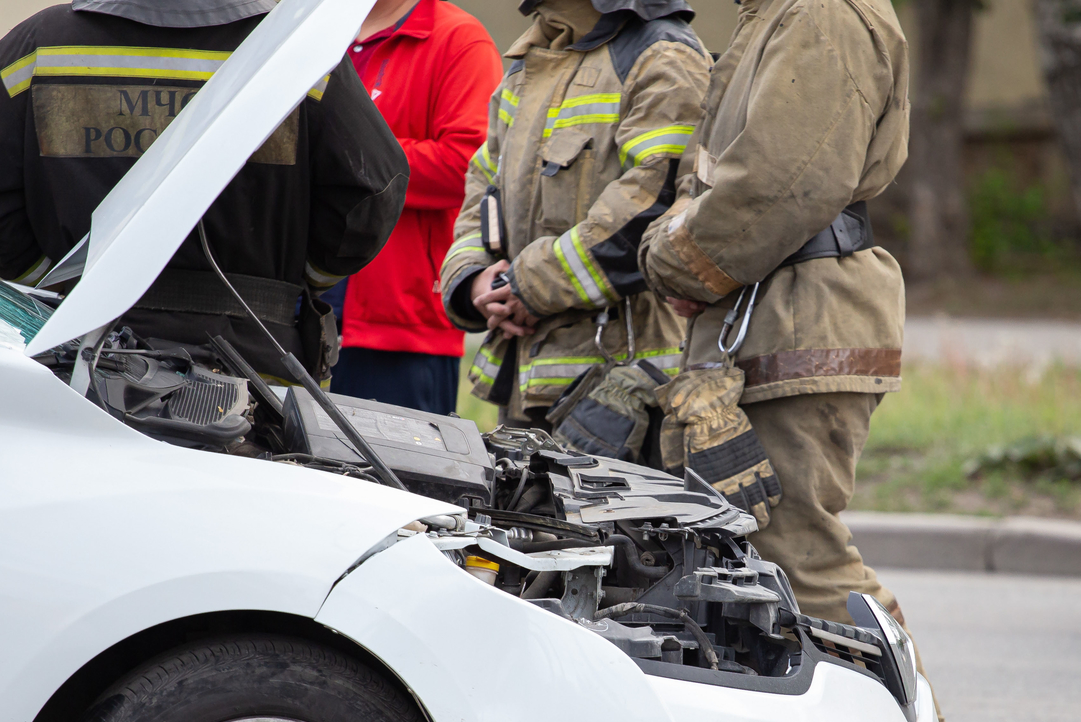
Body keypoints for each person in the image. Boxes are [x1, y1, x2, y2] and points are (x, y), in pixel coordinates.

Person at [638, 0, 950, 722]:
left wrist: (683, 263)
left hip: (799, 320)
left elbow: (780, 179)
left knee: (798, 557)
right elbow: (716, 174)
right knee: (754, 562)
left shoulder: (819, 12)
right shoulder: (777, 13)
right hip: (769, 313)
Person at [0, 0, 408, 382]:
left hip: (77, 362)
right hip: (252, 372)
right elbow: (373, 191)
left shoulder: (37, 47)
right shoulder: (299, 52)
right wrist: (290, 281)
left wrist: (52, 287)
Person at [438, 0, 709, 450]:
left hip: (625, 394)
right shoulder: (531, 61)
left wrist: (528, 284)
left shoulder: (662, 54)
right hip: (530, 386)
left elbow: (653, 202)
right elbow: (482, 185)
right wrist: (473, 279)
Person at [326, 0, 502, 415]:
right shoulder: (312, 33)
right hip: (289, 311)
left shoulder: (459, 40)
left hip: (402, 324)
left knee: (393, 479)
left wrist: (345, 157)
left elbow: (468, 164)